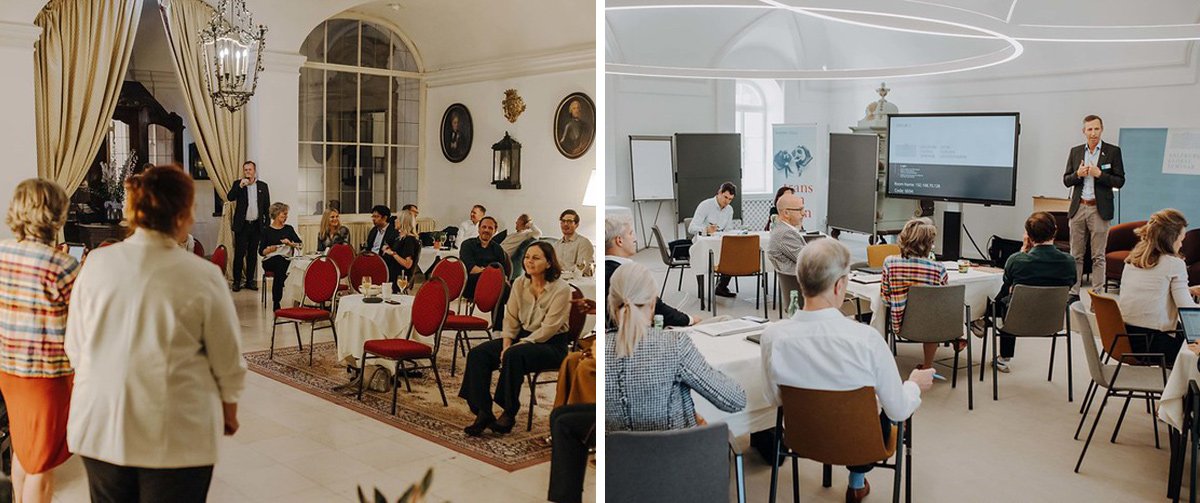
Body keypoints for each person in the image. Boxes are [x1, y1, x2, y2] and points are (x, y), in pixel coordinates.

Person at [66, 166, 245, 503]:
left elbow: (75, 347)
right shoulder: (202, 275)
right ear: (181, 214)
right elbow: (227, 359)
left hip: (101, 423)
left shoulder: (95, 265)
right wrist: (229, 409)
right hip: (174, 431)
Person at [760, 238, 934, 503]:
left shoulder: (773, 336)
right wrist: (913, 384)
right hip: (862, 444)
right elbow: (898, 410)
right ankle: (857, 480)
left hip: (801, 439)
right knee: (879, 404)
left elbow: (774, 399)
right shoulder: (866, 339)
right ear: (840, 285)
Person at [0, 179, 80, 503]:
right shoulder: (63, 265)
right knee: (41, 469)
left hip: (9, 371)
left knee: (24, 451)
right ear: (55, 215)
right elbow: (82, 322)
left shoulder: (2, 252)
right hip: (45, 378)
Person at [605, 262, 746, 431]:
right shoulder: (675, 345)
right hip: (679, 454)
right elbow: (735, 401)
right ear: (652, 303)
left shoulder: (597, 353)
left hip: (615, 456)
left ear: (611, 304)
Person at [459, 242, 572, 436]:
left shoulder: (561, 289)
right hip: (522, 337)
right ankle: (483, 410)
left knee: (514, 354)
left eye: (536, 258)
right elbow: (510, 318)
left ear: (549, 263)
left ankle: (509, 412)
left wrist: (515, 346)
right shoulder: (520, 283)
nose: (529, 261)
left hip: (552, 344)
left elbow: (548, 329)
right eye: (527, 257)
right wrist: (506, 343)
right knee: (478, 354)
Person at [991, 212, 1077, 373]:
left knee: (1004, 294)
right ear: (1055, 230)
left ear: (1029, 236)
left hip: (1017, 321)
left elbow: (1006, 282)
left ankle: (1003, 354)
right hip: (1052, 321)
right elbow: (1072, 283)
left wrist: (1023, 251)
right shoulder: (1069, 262)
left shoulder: (1016, 260)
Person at [1118, 209, 1200, 363]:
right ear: (1171, 239)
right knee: (1194, 349)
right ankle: (1183, 387)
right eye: (1181, 239)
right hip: (1153, 344)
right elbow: (1186, 309)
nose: (1181, 244)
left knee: (1184, 334)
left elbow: (1149, 291)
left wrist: (1188, 290)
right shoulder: (1174, 264)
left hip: (1126, 338)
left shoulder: (1133, 260)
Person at [881, 217, 955, 377]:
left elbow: (885, 298)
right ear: (928, 243)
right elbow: (943, 300)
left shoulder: (890, 263)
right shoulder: (938, 268)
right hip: (928, 327)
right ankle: (928, 365)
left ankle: (882, 365)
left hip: (899, 324)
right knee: (933, 314)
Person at [1064, 114, 1126, 294]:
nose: (1093, 133)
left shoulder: (1113, 151)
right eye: (1089, 129)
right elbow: (1066, 180)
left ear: (1102, 129)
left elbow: (1120, 181)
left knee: (1098, 256)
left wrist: (1100, 174)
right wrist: (1078, 174)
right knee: (1076, 255)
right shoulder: (1075, 152)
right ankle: (1073, 293)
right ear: (1084, 131)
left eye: (1096, 129)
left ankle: (1097, 294)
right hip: (1078, 208)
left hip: (1099, 210)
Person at [604, 214, 695, 327]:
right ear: (619, 241)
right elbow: (658, 309)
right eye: (630, 233)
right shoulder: (628, 274)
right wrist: (690, 320)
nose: (635, 239)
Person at [678, 182, 738, 297]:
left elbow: (728, 229)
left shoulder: (729, 209)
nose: (727, 201)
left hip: (719, 243)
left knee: (733, 251)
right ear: (719, 193)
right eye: (725, 197)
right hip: (703, 244)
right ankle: (702, 290)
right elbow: (691, 228)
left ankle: (721, 286)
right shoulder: (705, 205)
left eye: (730, 199)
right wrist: (706, 229)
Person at [227, 160, 271, 292]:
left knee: (252, 254)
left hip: (256, 225)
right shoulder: (238, 184)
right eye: (245, 170)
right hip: (242, 225)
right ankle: (236, 281)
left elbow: (266, 207)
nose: (247, 172)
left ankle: (250, 281)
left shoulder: (262, 186)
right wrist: (239, 186)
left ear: (254, 171)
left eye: (249, 170)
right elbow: (230, 197)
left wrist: (266, 225)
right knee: (239, 254)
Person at [259, 203, 302, 311]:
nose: (286, 217)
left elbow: (300, 245)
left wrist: (290, 244)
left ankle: (276, 301)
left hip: (285, 260)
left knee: (281, 264)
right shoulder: (266, 231)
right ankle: (277, 298)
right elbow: (261, 252)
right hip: (270, 260)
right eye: (284, 215)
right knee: (279, 262)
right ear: (276, 215)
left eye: (286, 215)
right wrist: (269, 249)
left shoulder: (288, 229)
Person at [459, 216, 508, 299]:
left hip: (493, 284)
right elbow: (471, 269)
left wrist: (490, 273)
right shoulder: (467, 245)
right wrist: (490, 273)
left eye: (490, 228)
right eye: (484, 227)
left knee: (505, 288)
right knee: (500, 287)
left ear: (495, 231)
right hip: (471, 285)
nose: (486, 230)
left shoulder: (498, 249)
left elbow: (502, 271)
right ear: (479, 229)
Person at [767, 192, 807, 276]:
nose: (804, 213)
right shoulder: (785, 233)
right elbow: (808, 260)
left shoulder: (781, 229)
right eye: (800, 209)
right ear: (786, 213)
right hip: (801, 282)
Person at [382, 209, 421, 288]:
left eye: (397, 219)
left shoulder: (409, 240)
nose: (395, 221)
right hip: (391, 270)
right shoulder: (399, 237)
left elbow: (407, 264)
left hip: (399, 276)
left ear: (403, 222)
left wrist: (392, 253)